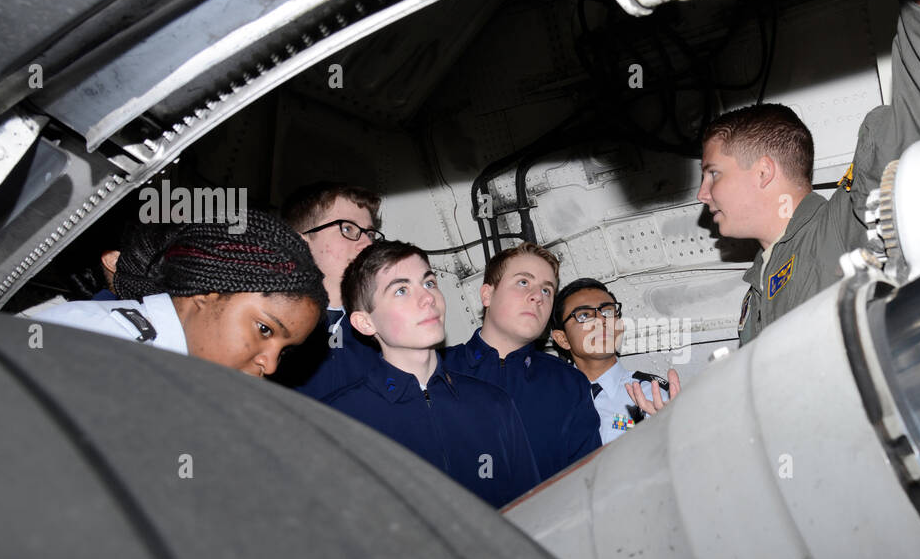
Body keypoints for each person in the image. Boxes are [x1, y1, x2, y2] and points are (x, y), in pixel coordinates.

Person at [700, 0, 920, 346]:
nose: (701, 194)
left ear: (764, 172)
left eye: (713, 174)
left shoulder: (849, 225)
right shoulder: (755, 296)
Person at [323, 241, 540, 508]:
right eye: (401, 290)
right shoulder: (339, 421)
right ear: (365, 322)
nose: (428, 298)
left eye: (429, 283)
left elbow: (533, 512)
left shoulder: (493, 404)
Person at [28, 210, 327, 376]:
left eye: (285, 351)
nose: (270, 365)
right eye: (265, 329)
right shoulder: (99, 347)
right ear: (207, 291)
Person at [444, 243, 601, 478]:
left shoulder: (569, 385)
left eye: (547, 290)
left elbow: (587, 480)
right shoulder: (434, 370)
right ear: (487, 294)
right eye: (523, 282)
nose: (538, 296)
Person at [272, 182, 386, 398]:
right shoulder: (267, 330)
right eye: (348, 229)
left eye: (370, 234)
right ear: (300, 242)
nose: (367, 245)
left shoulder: (380, 333)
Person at [549, 277, 681, 444]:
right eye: (584, 315)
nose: (601, 321)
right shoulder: (548, 401)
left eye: (608, 312)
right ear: (562, 339)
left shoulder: (654, 396)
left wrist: (673, 432)